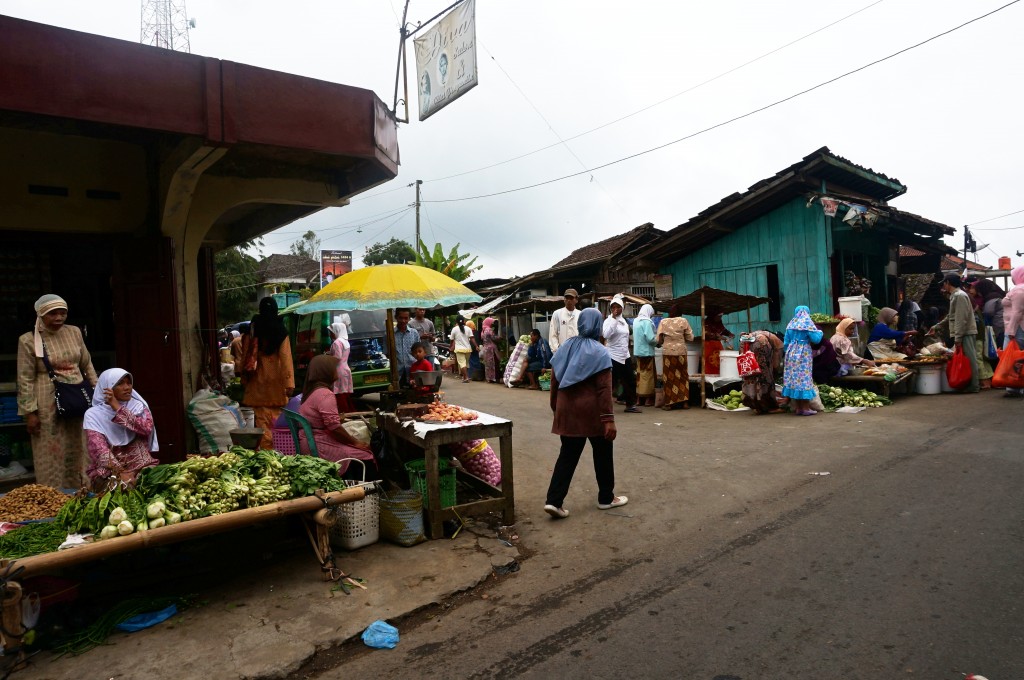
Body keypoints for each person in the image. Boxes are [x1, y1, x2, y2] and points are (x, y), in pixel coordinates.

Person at [543, 308, 626, 519]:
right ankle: (606, 498)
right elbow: (604, 390)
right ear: (598, 325)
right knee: (603, 454)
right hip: (592, 414)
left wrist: (556, 409)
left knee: (567, 456)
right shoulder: (600, 351)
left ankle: (554, 502)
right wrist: (609, 420)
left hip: (567, 411)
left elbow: (554, 382)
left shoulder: (565, 348)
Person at [16, 294, 98, 488]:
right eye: (53, 314)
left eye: (63, 313)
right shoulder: (28, 340)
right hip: (47, 400)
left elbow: (87, 365)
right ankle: (53, 495)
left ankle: (81, 490)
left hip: (78, 396)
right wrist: (30, 412)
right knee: (50, 448)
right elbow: (25, 377)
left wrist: (98, 396)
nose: (59, 318)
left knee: (80, 444)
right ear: (41, 314)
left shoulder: (75, 332)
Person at [297, 356, 376, 478]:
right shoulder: (325, 394)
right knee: (366, 454)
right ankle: (363, 490)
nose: (337, 370)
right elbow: (334, 427)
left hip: (309, 442)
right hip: (319, 446)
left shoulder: (313, 392)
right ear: (325, 371)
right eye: (335, 368)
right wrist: (356, 443)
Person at [83, 369, 158, 490]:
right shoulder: (93, 414)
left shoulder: (138, 407)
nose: (127, 387)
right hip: (109, 470)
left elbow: (146, 429)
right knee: (122, 488)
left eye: (129, 383)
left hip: (141, 466)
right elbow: (99, 449)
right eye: (120, 383)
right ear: (107, 387)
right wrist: (120, 472)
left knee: (155, 484)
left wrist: (118, 408)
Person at [239, 297, 295, 449]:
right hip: (276, 381)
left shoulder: (253, 326)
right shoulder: (281, 330)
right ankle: (277, 449)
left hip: (257, 380)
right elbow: (285, 358)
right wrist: (289, 384)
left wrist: (243, 376)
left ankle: (266, 450)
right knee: (276, 420)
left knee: (262, 420)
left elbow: (246, 354)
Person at [932, 274, 979, 393]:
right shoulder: (956, 296)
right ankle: (968, 384)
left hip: (965, 332)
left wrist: (958, 337)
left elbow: (960, 318)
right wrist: (937, 326)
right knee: (966, 359)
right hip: (963, 332)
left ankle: (973, 386)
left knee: (969, 360)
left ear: (948, 283)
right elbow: (951, 316)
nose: (943, 286)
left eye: (944, 283)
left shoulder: (959, 296)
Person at [782, 306, 823, 416]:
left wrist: (789, 352)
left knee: (794, 379)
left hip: (791, 353)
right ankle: (805, 408)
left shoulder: (790, 325)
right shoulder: (807, 324)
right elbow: (816, 339)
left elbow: (785, 343)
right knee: (804, 379)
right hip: (803, 354)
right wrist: (819, 332)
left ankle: (798, 408)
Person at [603, 295, 640, 413]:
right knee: (611, 382)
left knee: (630, 380)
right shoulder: (608, 321)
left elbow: (626, 336)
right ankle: (604, 406)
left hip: (625, 355)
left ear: (622, 308)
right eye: (613, 307)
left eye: (618, 307)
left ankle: (630, 405)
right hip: (613, 355)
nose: (616, 309)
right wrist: (613, 319)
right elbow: (606, 335)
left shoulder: (624, 321)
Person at [657, 303, 696, 411]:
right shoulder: (683, 321)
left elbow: (659, 339)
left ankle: (669, 404)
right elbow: (690, 337)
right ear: (680, 313)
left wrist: (663, 341)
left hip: (668, 352)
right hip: (681, 352)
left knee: (669, 377)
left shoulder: (663, 322)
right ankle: (684, 403)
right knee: (683, 376)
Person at [740, 330, 785, 414]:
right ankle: (770, 407)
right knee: (765, 376)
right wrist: (774, 373)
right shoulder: (780, 343)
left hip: (745, 344)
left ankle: (756, 406)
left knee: (751, 374)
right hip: (760, 344)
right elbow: (776, 364)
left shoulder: (763, 333)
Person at [1001, 265, 1024, 397]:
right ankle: (1016, 386)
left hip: (1016, 329)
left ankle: (1014, 387)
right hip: (1018, 328)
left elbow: (1017, 312)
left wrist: (1011, 331)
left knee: (1011, 358)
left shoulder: (1019, 290)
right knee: (1019, 358)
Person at [632, 303, 657, 407]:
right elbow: (650, 339)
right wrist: (658, 342)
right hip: (647, 352)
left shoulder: (635, 321)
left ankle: (639, 399)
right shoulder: (647, 322)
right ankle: (647, 399)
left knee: (640, 375)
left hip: (638, 352)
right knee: (648, 376)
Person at [328, 322, 355, 412]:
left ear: (336, 331)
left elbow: (337, 357)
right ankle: (350, 411)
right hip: (345, 368)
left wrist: (327, 357)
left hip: (338, 370)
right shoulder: (345, 341)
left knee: (339, 394)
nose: (330, 334)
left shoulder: (337, 342)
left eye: (331, 332)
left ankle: (344, 412)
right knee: (345, 393)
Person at [549, 288, 581, 353]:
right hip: (562, 352)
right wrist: (557, 350)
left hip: (577, 352)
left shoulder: (580, 314)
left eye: (571, 298)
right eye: (566, 298)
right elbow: (553, 334)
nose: (568, 300)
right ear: (564, 299)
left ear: (576, 300)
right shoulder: (557, 314)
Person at [393, 308, 419, 386]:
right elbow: (387, 354)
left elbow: (419, 352)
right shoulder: (390, 335)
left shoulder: (414, 333)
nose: (403, 321)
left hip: (413, 372)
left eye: (406, 318)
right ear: (396, 317)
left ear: (409, 318)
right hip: (397, 374)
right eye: (401, 318)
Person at [703, 310, 734, 375]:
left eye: (721, 317)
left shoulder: (719, 322)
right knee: (710, 361)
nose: (720, 318)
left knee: (720, 360)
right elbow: (706, 333)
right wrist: (717, 336)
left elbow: (723, 330)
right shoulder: (707, 322)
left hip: (717, 344)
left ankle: (720, 373)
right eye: (719, 317)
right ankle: (709, 374)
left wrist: (729, 334)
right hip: (708, 344)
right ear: (713, 316)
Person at [449, 317, 476, 383]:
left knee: (462, 364)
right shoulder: (468, 329)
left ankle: (466, 378)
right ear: (464, 321)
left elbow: (451, 340)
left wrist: (451, 347)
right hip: (468, 349)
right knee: (465, 364)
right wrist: (476, 346)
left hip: (459, 349)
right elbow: (472, 338)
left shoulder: (454, 329)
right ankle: (465, 377)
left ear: (456, 322)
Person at [480, 317, 501, 383]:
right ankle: (495, 378)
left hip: (485, 349)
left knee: (488, 364)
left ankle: (489, 378)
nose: (492, 324)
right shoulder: (489, 330)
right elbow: (494, 337)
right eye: (491, 322)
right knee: (494, 363)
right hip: (491, 349)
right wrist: (500, 338)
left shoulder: (483, 330)